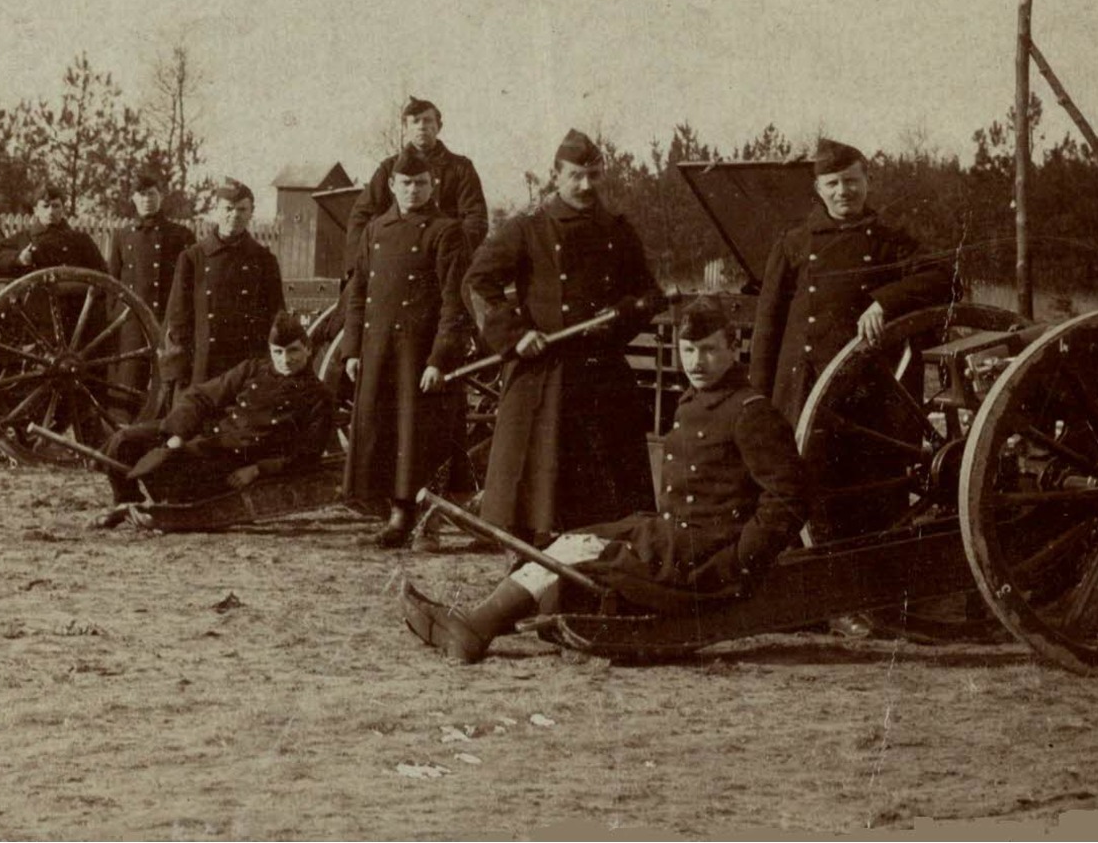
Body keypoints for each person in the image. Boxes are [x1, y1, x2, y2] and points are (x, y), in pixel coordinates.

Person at [402, 296, 808, 663]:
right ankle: (475, 620)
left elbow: (788, 500)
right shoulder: (692, 402)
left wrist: (739, 563)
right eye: (687, 350)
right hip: (674, 537)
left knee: (581, 552)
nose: (696, 362)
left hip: (708, 554)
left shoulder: (751, 411)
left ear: (733, 348)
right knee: (568, 544)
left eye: (708, 350)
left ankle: (475, 627)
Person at [463, 128, 662, 545]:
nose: (586, 185)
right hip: (545, 379)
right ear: (556, 176)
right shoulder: (528, 227)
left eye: (594, 174)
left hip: (603, 378)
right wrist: (516, 335)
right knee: (537, 508)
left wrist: (623, 315)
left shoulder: (617, 229)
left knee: (612, 509)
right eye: (575, 175)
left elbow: (649, 294)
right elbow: (478, 283)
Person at [748, 138, 954, 425]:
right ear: (818, 189)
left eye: (851, 181)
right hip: (802, 387)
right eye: (832, 184)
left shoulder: (890, 240)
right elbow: (767, 328)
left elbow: (944, 278)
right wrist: (757, 401)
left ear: (867, 181)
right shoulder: (793, 243)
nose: (843, 191)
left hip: (869, 390)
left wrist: (883, 302)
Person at [341, 144, 472, 547]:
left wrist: (439, 358)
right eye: (405, 183)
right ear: (392, 186)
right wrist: (352, 350)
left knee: (423, 436)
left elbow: (455, 302)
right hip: (380, 350)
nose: (413, 190)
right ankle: (396, 516)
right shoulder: (375, 230)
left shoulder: (446, 231)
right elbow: (358, 293)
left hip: (420, 355)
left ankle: (426, 522)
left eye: (421, 183)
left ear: (433, 186)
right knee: (384, 432)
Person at [100, 312, 334, 511]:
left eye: (293, 351)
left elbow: (307, 456)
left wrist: (257, 469)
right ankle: (126, 502)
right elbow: (201, 396)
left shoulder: (318, 396)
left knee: (170, 469)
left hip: (233, 461)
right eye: (278, 352)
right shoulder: (252, 369)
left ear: (308, 349)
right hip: (206, 437)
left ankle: (162, 504)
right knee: (123, 441)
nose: (286, 360)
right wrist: (178, 433)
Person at [163, 179, 285, 388]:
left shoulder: (264, 260)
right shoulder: (193, 258)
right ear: (216, 211)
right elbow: (178, 320)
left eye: (241, 209)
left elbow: (276, 316)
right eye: (228, 209)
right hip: (203, 368)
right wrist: (176, 371)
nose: (234, 215)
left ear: (251, 213)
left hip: (247, 369)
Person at [345, 96, 488, 275]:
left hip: (445, 264)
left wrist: (455, 254)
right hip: (394, 262)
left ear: (439, 127)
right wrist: (359, 265)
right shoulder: (389, 168)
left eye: (428, 120)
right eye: (415, 121)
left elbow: (476, 219)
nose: (421, 126)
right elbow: (361, 215)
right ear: (405, 129)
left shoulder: (460, 168)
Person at [107, 175, 194, 394]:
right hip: (131, 322)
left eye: (152, 194)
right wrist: (113, 320)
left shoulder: (180, 235)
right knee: (129, 381)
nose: (147, 200)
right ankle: (125, 425)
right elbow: (112, 282)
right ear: (134, 199)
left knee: (166, 380)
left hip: (167, 318)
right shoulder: (122, 236)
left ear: (161, 197)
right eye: (142, 195)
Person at [0, 185, 108, 277]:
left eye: (56, 206)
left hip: (77, 309)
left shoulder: (81, 241)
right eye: (45, 206)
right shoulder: (24, 239)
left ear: (63, 209)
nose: (51, 211)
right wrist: (18, 258)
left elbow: (103, 276)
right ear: (36, 210)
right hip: (37, 308)